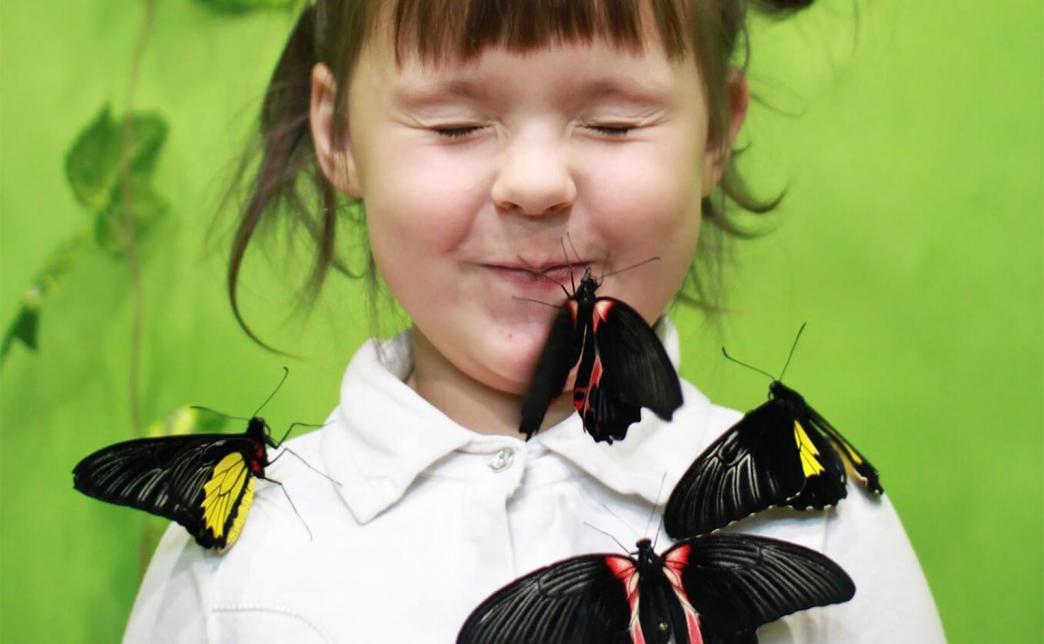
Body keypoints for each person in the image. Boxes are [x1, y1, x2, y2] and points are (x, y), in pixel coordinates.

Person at [125, 1, 945, 641]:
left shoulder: (817, 518)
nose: (536, 183)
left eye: (614, 123)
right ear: (337, 133)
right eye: (454, 125)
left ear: (717, 131)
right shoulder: (235, 561)